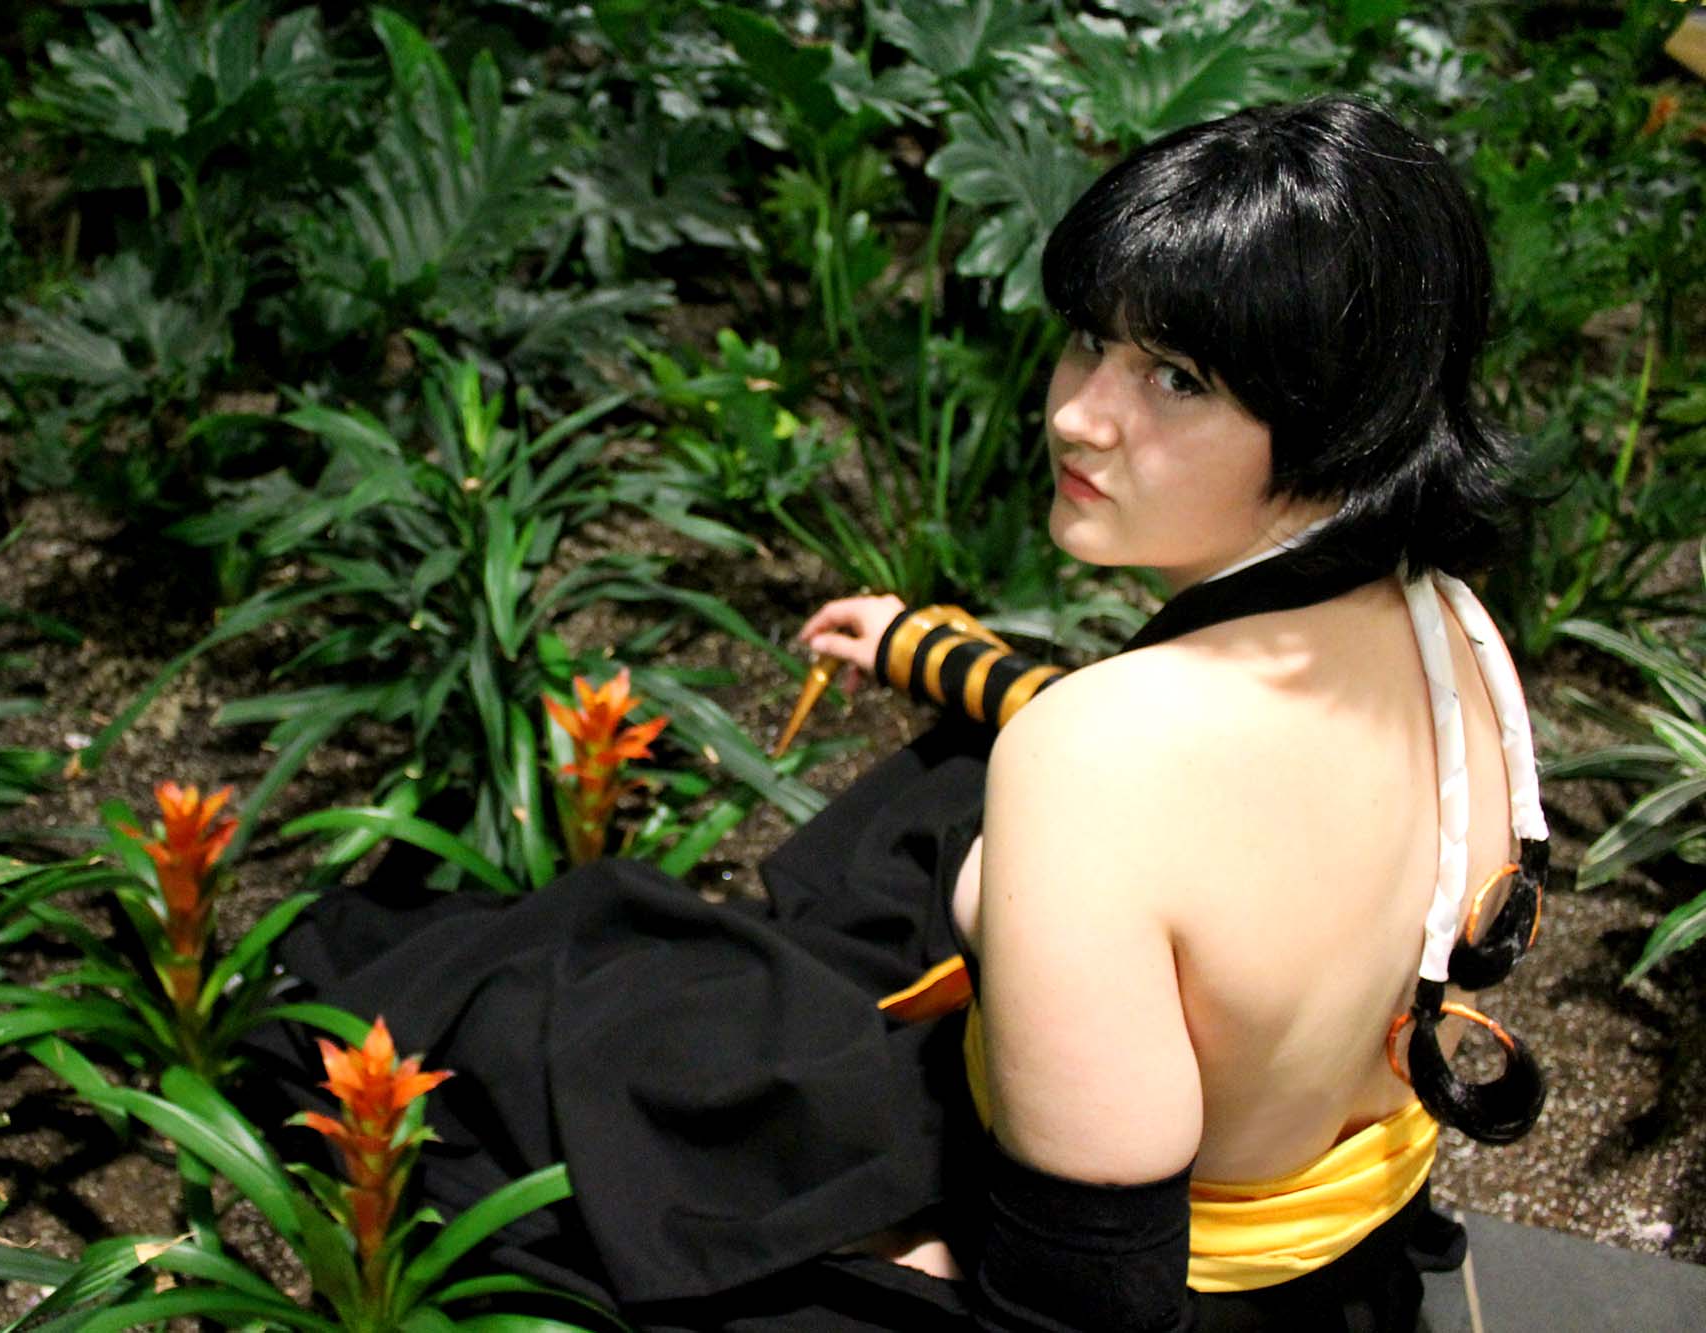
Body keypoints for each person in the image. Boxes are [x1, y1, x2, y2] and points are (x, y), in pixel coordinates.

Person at [265, 95, 1546, 1332]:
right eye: (1088, 338)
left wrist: (912, 1246)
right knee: (927, 803)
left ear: (1341, 417)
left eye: (1174, 377)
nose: (1076, 413)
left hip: (1137, 1280)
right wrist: (926, 651)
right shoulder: (1452, 632)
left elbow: (1084, 1302)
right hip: (1324, 1238)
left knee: (526, 1044)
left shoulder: (1100, 761)